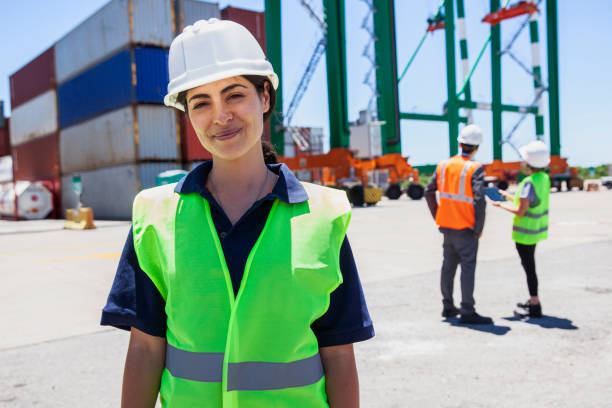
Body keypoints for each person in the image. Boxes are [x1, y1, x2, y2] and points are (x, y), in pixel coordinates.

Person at [101, 19, 374, 407]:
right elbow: (145, 348)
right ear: (188, 115)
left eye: (234, 95)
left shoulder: (323, 216)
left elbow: (338, 354)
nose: (221, 115)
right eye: (201, 103)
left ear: (264, 97)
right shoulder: (155, 216)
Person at [425, 124, 493, 325]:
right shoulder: (475, 168)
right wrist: (478, 228)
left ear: (460, 143)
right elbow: (479, 200)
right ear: (477, 147)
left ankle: (447, 305)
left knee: (448, 266)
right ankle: (467, 310)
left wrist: (438, 215)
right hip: (466, 227)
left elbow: (428, 192)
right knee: (467, 268)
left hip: (446, 226)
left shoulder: (443, 166)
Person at [491, 140, 551, 318]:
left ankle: (534, 304)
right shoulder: (544, 179)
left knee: (529, 268)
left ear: (528, 162)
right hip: (536, 230)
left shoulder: (528, 182)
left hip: (524, 233)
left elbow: (521, 211)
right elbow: (529, 202)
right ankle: (534, 300)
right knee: (530, 266)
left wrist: (500, 206)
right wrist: (507, 196)